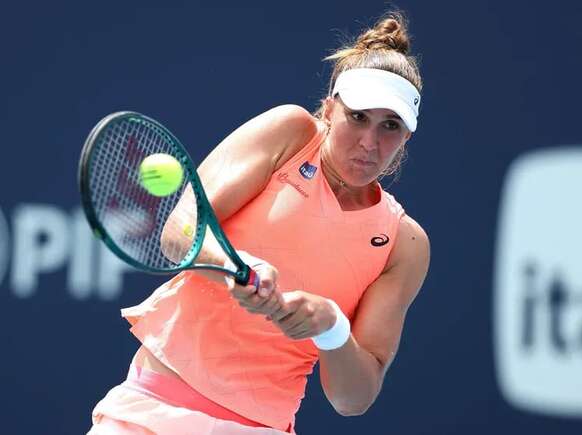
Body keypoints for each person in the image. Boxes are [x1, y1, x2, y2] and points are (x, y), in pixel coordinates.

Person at [87, 10, 430, 435]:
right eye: (358, 117)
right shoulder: (290, 133)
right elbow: (180, 231)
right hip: (151, 412)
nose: (369, 142)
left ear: (406, 137)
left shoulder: (404, 242)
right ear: (328, 108)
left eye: (390, 126)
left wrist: (331, 326)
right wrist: (237, 269)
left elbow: (353, 399)